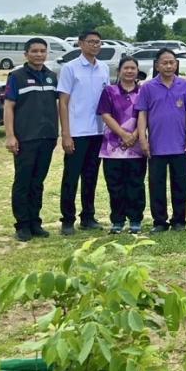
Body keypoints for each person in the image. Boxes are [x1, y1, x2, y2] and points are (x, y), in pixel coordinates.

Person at [136, 48, 186, 232]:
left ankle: (179, 221)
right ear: (157, 65)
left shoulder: (185, 85)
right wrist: (143, 139)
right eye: (165, 63)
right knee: (157, 185)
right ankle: (160, 222)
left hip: (180, 145)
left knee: (180, 185)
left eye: (172, 62)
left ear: (176, 65)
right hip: (156, 146)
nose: (169, 66)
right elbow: (142, 114)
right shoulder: (147, 87)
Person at [3, 37, 57, 241]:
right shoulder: (17, 76)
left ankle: (35, 222)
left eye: (42, 51)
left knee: (38, 182)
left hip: (47, 137)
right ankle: (22, 225)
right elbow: (9, 106)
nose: (39, 54)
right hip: (25, 138)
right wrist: (10, 136)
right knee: (23, 181)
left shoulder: (51, 76)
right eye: (34, 51)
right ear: (26, 54)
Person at [56, 29, 109, 235]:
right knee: (71, 177)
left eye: (98, 42)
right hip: (77, 132)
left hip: (98, 131)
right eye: (91, 41)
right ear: (80, 43)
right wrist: (66, 134)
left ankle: (88, 217)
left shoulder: (103, 68)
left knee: (91, 176)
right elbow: (63, 102)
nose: (95, 45)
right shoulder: (70, 68)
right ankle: (67, 220)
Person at [97, 56, 146, 234]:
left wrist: (134, 135)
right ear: (119, 71)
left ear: (137, 71)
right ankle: (117, 221)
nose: (129, 71)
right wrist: (123, 134)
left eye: (133, 68)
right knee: (115, 185)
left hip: (136, 147)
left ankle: (135, 220)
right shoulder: (109, 91)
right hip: (112, 147)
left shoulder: (143, 92)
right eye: (126, 68)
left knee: (136, 184)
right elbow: (105, 114)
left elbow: (145, 115)